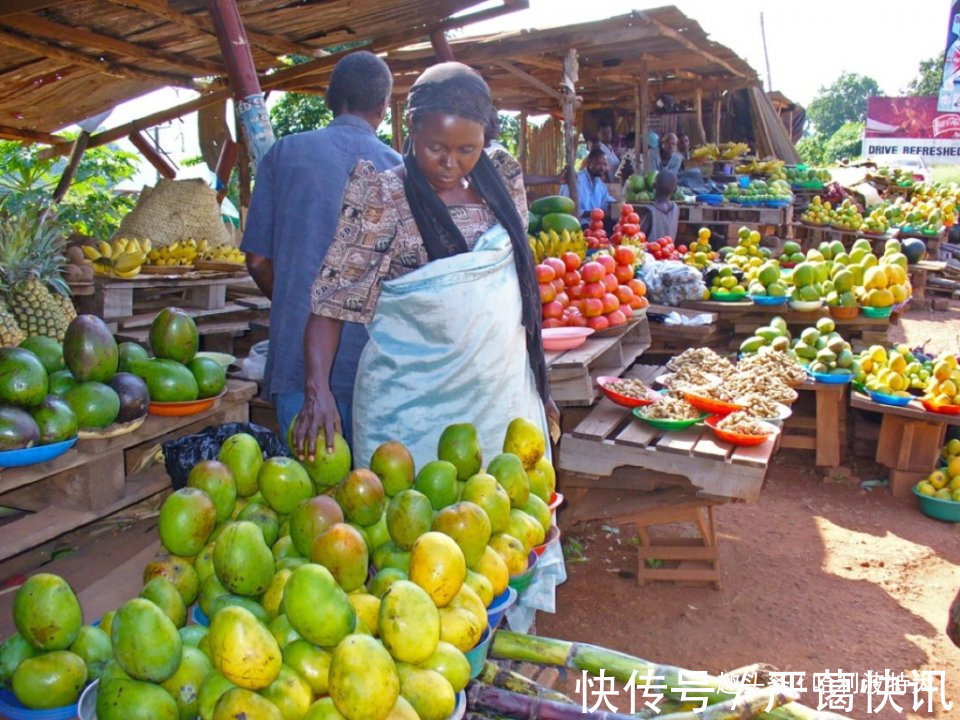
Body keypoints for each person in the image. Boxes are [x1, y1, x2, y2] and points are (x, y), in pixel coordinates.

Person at [294, 62, 558, 468]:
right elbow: (331, 304)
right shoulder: (382, 198)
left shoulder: (502, 180)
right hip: (411, 418)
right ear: (411, 127)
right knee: (414, 521)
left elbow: (513, 290)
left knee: (507, 516)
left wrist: (541, 387)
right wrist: (318, 392)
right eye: (437, 147)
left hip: (501, 403)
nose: (450, 163)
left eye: (466, 150)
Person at [241, 51, 401, 444]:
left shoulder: (284, 154)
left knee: (305, 495)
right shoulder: (398, 169)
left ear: (330, 98)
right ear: (383, 107)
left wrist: (300, 301)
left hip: (297, 358)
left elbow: (258, 260)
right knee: (377, 494)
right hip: (375, 365)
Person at [559, 147, 615, 220]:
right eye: (599, 163)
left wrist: (617, 205)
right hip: (574, 225)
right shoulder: (575, 181)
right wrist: (592, 214)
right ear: (589, 163)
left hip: (595, 226)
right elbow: (566, 208)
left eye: (605, 164)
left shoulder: (601, 186)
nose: (603, 168)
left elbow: (607, 201)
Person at [639, 170, 679, 241]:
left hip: (650, 252)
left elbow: (639, 238)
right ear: (675, 189)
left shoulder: (650, 211)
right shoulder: (676, 209)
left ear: (654, 185)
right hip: (669, 251)